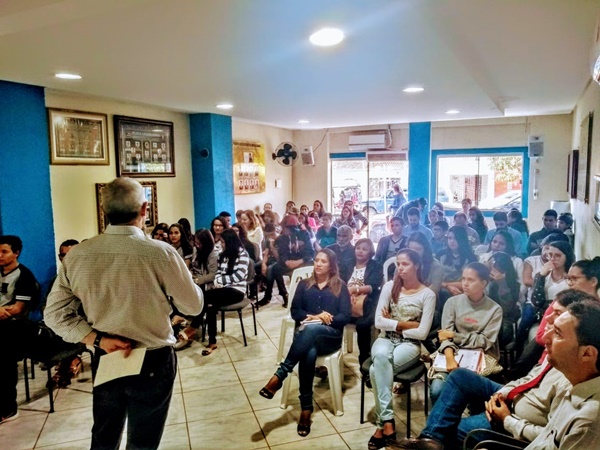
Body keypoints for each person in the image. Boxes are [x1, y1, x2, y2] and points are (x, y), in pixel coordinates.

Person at [45, 177, 203, 449]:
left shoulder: (78, 255)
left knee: (104, 436)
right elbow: (193, 306)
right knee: (143, 440)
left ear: (104, 210)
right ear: (144, 209)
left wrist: (97, 339)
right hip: (153, 356)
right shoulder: (161, 253)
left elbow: (55, 315)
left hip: (107, 353)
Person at [397, 289, 592, 450]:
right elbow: (528, 379)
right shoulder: (558, 355)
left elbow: (549, 438)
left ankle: (434, 440)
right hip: (515, 398)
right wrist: (503, 393)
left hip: (515, 418)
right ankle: (430, 439)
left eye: (557, 315)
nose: (547, 319)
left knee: (450, 430)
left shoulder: (573, 377)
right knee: (459, 376)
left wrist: (507, 419)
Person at [259, 249, 351, 437]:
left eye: (323, 261)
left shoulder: (340, 286)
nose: (318, 264)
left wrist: (327, 319)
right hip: (307, 335)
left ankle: (280, 375)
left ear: (331, 265)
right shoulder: (304, 284)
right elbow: (295, 311)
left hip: (330, 336)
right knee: (309, 352)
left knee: (310, 331)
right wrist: (314, 317)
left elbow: (345, 316)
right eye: (316, 260)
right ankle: (306, 409)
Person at [368, 249, 436, 450]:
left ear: (417, 265)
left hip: (409, 345)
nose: (400, 268)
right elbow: (378, 322)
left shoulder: (427, 294)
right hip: (385, 338)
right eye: (398, 264)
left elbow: (422, 333)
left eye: (405, 264)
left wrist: (393, 323)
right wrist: (407, 324)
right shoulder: (390, 287)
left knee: (375, 370)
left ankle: (382, 425)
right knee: (381, 357)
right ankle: (388, 421)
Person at [525, 300, 600, 449]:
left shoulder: (588, 422)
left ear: (586, 353)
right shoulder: (575, 384)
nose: (545, 338)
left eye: (557, 333)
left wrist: (507, 421)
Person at [430, 262, 503, 405]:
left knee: (475, 394)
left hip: (481, 355)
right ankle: (441, 419)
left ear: (483, 283)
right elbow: (444, 337)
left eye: (471, 280)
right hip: (453, 353)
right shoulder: (452, 302)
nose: (465, 283)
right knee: (437, 390)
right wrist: (450, 359)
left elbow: (485, 342)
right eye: (463, 279)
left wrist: (454, 335)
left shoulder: (494, 309)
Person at [185, 229, 249, 356]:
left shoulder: (243, 254)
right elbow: (219, 272)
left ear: (230, 242)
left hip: (237, 290)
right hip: (223, 288)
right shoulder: (223, 254)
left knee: (205, 296)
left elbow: (239, 276)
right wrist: (218, 281)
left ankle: (193, 327)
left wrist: (220, 280)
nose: (221, 244)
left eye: (223, 242)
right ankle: (212, 342)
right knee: (210, 306)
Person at [0, 235, 39, 425]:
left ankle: (8, 408)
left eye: (4, 252)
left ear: (16, 253)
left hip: (15, 327)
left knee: (3, 358)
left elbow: (17, 309)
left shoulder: (24, 276)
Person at [260, 215, 314, 307]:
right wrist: (286, 262)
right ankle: (284, 294)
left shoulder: (304, 234)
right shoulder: (282, 238)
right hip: (290, 262)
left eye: (284, 227)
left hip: (303, 261)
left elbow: (311, 253)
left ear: (291, 228)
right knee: (274, 269)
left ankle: (271, 296)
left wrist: (298, 262)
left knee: (273, 269)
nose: (282, 230)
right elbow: (282, 254)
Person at [346, 238, 383, 365]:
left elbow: (373, 286)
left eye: (364, 249)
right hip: (346, 300)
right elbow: (338, 282)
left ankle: (364, 360)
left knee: (363, 325)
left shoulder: (376, 266)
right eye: (358, 248)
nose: (360, 251)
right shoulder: (347, 264)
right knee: (333, 318)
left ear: (370, 252)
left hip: (368, 301)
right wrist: (347, 294)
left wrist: (355, 290)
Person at [487, 252, 522, 347]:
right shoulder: (483, 281)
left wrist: (502, 284)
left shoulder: (514, 285)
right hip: (485, 314)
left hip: (504, 317)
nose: (491, 271)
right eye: (490, 266)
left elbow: (507, 309)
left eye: (495, 268)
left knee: (502, 332)